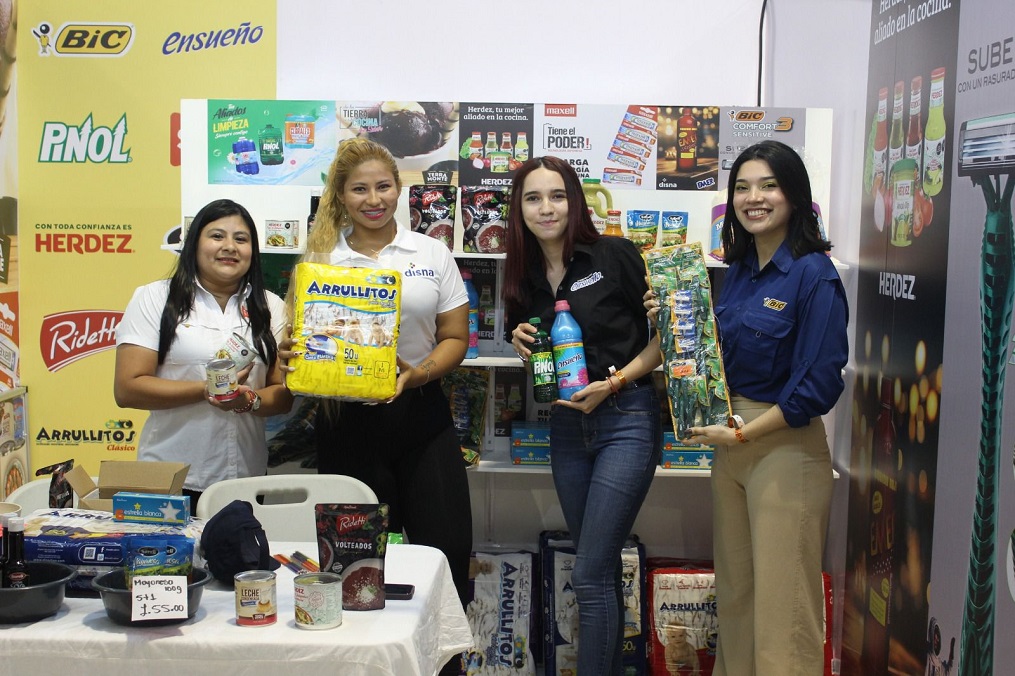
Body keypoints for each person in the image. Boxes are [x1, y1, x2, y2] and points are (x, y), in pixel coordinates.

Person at [649, 140, 849, 675]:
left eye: (768, 185)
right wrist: (671, 313)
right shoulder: (736, 270)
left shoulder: (814, 274)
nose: (753, 198)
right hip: (730, 445)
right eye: (741, 187)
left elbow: (819, 384)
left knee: (785, 612)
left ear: (795, 195)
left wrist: (744, 432)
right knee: (736, 599)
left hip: (783, 448)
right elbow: (710, 356)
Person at [283, 138, 473, 623]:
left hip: (421, 417)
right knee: (355, 571)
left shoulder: (431, 252)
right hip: (345, 424)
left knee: (447, 555)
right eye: (360, 189)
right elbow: (301, 343)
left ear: (398, 189)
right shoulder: (321, 260)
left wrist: (416, 375)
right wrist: (293, 355)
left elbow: (454, 337)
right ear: (340, 196)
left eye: (384, 187)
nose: (374, 200)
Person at [504, 155, 662, 675]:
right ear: (519, 208)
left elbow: (666, 340)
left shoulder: (613, 255)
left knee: (591, 572)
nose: (546, 208)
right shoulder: (523, 275)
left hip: (626, 417)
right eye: (532, 197)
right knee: (596, 567)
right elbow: (535, 345)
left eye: (557, 196)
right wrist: (523, 342)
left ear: (575, 202)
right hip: (567, 427)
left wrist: (615, 382)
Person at [114, 199, 292, 511]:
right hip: (170, 480)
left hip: (246, 480)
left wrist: (248, 400)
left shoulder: (272, 306)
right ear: (194, 243)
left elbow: (282, 395)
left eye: (241, 239)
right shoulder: (155, 298)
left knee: (242, 561)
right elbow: (128, 388)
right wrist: (206, 390)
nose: (230, 247)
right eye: (217, 236)